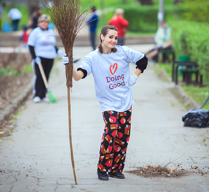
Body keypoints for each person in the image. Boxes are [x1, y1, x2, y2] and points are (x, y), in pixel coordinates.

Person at [63, 25, 148, 181]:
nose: (114, 40)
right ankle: (102, 168)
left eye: (115, 37)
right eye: (110, 37)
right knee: (111, 132)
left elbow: (143, 59)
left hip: (125, 101)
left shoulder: (123, 52)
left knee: (122, 137)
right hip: (108, 103)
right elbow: (77, 76)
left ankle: (116, 169)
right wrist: (69, 65)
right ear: (102, 37)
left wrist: (135, 75)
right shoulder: (93, 57)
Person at [28, 14, 63, 103]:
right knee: (39, 75)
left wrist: (57, 51)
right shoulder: (35, 32)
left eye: (46, 22)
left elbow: (52, 44)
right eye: (42, 22)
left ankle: (43, 95)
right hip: (39, 57)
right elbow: (31, 45)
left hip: (50, 57)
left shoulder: (51, 32)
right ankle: (37, 95)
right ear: (39, 23)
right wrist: (34, 57)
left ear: (48, 23)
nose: (44, 23)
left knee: (46, 75)